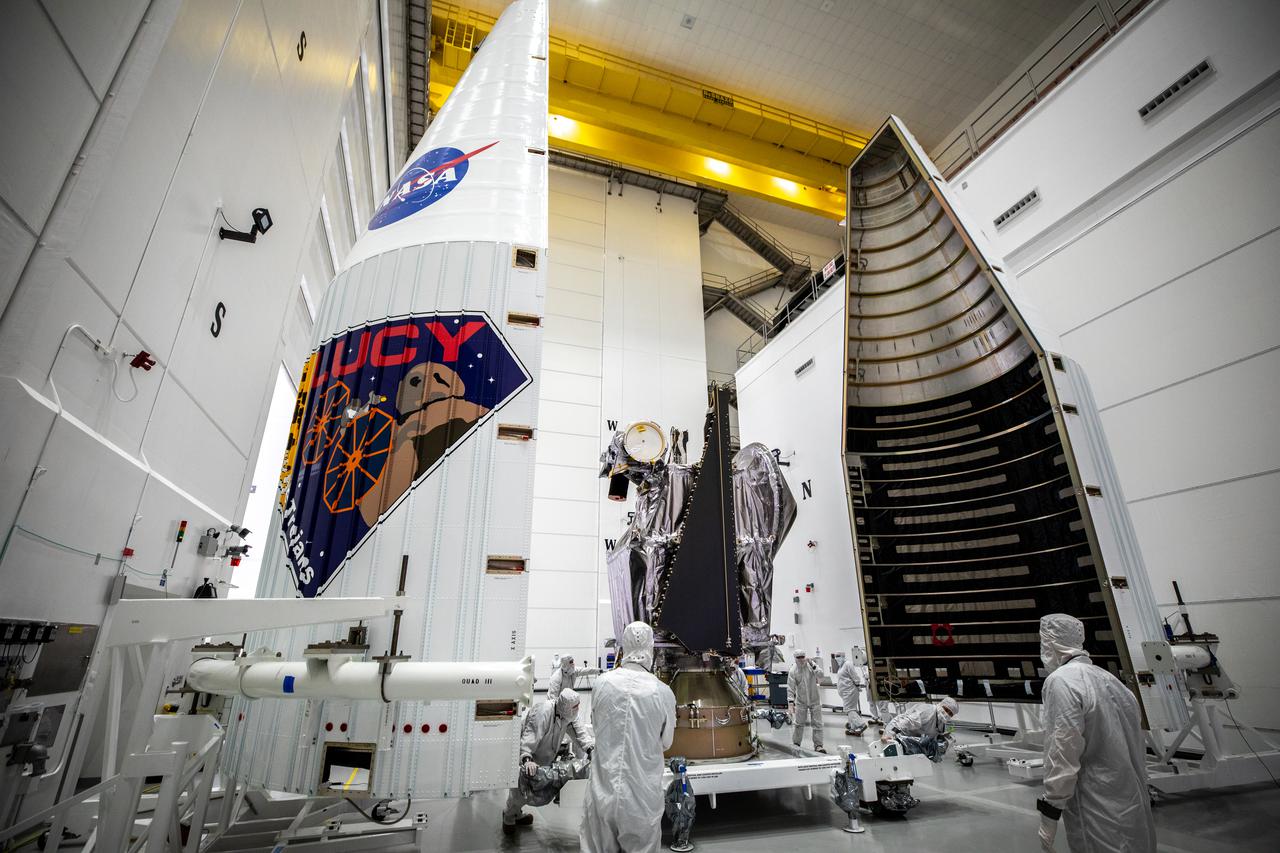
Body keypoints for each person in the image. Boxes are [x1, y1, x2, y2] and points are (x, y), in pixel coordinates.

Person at [1035, 613, 1155, 852]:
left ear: (1051, 643)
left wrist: (1050, 811)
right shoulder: (1112, 681)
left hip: (1095, 804)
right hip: (1132, 801)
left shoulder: (1061, 682)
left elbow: (1062, 752)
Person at [580, 622, 676, 853]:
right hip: (641, 798)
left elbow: (596, 727)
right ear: (651, 647)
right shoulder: (663, 692)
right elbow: (666, 742)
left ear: (624, 646)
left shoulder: (602, 683)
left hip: (602, 790)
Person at [502, 688, 593, 834]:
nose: (577, 709)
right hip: (530, 752)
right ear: (566, 707)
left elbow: (580, 734)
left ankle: (516, 813)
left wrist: (590, 749)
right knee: (520, 785)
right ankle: (508, 816)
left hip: (545, 755)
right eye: (575, 707)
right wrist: (526, 758)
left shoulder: (569, 714)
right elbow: (530, 735)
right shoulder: (543, 711)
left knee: (531, 787)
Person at [787, 649, 825, 753]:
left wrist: (813, 664)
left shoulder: (811, 666)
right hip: (801, 701)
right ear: (795, 658)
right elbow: (790, 688)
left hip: (814, 700)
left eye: (802, 657)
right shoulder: (793, 671)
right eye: (798, 657)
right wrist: (790, 703)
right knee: (798, 724)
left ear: (805, 656)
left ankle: (818, 746)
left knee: (817, 724)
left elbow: (821, 675)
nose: (801, 659)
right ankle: (796, 743)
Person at [885, 695, 958, 740]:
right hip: (898, 732)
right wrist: (890, 733)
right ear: (941, 705)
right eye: (946, 710)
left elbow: (937, 733)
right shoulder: (928, 711)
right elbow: (906, 722)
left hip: (911, 738)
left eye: (950, 714)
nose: (947, 714)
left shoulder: (941, 721)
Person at [835, 649, 868, 736]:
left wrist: (857, 684)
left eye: (838, 656)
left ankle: (861, 724)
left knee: (849, 710)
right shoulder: (841, 666)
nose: (837, 658)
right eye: (836, 656)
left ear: (843, 656)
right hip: (846, 692)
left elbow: (855, 676)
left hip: (850, 691)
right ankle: (853, 729)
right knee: (852, 709)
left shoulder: (848, 664)